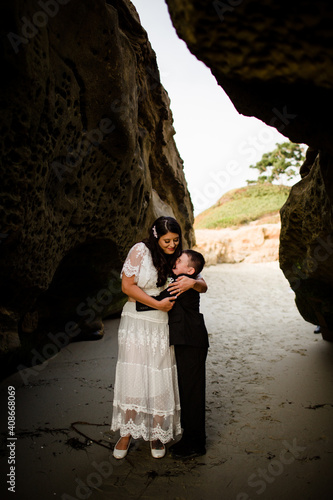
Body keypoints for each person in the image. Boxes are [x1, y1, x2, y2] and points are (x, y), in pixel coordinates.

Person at [111, 216, 183, 459]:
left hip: (162, 322)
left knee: (159, 374)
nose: (172, 245)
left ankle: (157, 433)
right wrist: (157, 304)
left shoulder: (177, 255)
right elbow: (127, 286)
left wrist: (193, 284)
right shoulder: (139, 250)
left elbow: (198, 277)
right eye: (166, 241)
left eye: (175, 240)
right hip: (136, 321)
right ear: (155, 237)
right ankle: (127, 433)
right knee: (134, 374)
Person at [167, 249, 209, 459]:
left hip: (192, 340)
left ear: (190, 270)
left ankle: (197, 444)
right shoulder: (182, 277)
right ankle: (188, 438)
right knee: (186, 389)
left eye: (180, 260)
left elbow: (162, 300)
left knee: (192, 392)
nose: (175, 260)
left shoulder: (183, 281)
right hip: (188, 339)